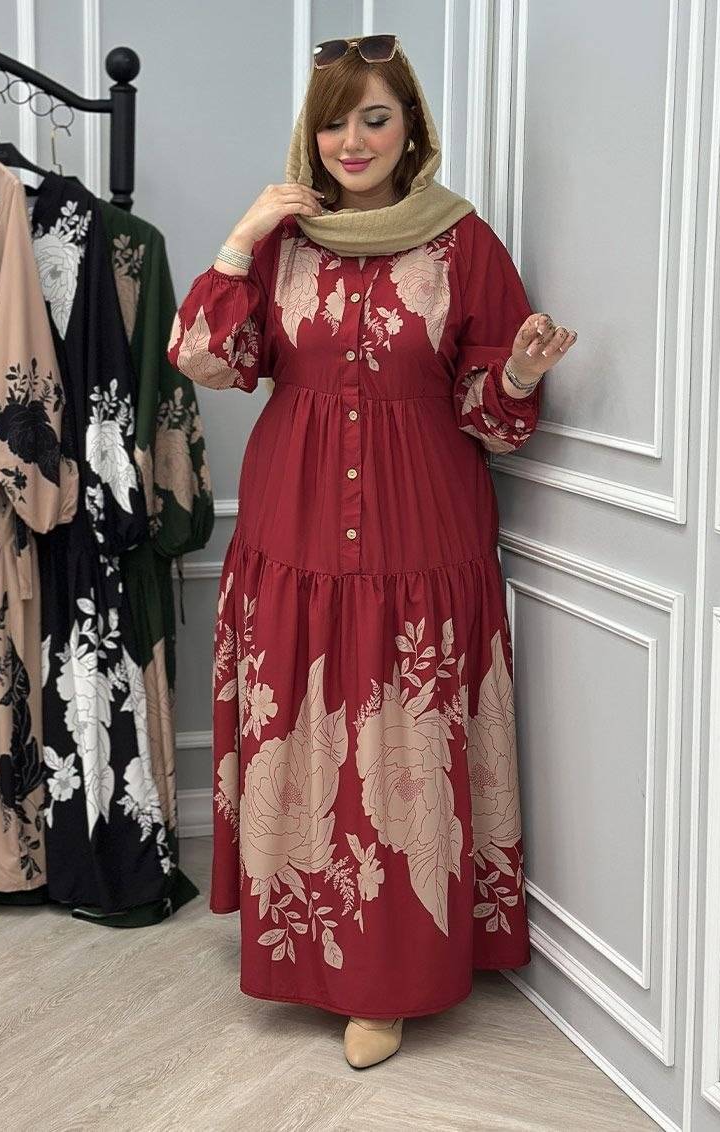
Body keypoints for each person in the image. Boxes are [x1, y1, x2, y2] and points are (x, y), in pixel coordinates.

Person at [167, 34, 577, 1070]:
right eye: (333, 122)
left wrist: (520, 376)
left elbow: (485, 411)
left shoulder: (461, 242)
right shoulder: (282, 242)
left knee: (403, 748)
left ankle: (390, 979)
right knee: (302, 738)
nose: (351, 140)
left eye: (374, 117)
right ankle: (305, 949)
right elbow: (206, 358)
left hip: (422, 530)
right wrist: (241, 236)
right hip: (292, 525)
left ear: (410, 129)